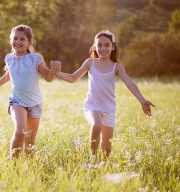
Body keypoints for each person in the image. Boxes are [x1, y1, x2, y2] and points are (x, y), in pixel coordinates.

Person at [53, 30, 154, 165]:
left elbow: (130, 83)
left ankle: (103, 166)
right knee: (96, 124)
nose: (103, 48)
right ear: (95, 47)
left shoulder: (116, 67)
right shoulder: (90, 63)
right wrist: (56, 72)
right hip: (92, 106)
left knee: (106, 148)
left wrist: (142, 100)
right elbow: (72, 78)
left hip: (109, 109)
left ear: (113, 47)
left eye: (106, 45)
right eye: (99, 45)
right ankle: (92, 158)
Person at [0, 24, 61, 160]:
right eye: (15, 38)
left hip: (35, 103)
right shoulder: (9, 58)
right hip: (16, 101)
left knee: (30, 140)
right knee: (20, 131)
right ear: (11, 41)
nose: (18, 41)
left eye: (22, 39)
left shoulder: (36, 58)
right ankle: (13, 164)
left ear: (29, 42)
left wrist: (54, 70)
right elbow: (9, 75)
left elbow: (48, 77)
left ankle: (30, 166)